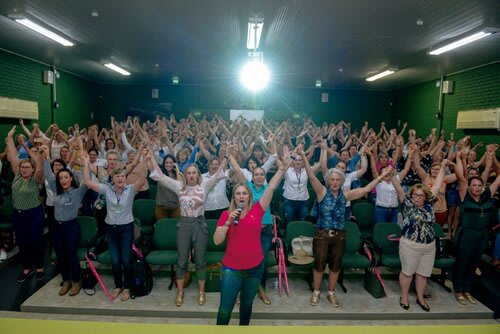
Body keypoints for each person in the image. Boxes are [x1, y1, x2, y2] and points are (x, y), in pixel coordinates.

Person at [299, 145, 392, 307]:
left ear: (342, 181)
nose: (335, 182)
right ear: (328, 181)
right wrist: (302, 154)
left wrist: (381, 176)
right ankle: (316, 292)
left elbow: (365, 189)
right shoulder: (321, 192)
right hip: (321, 235)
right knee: (319, 266)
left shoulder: (346, 195)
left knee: (335, 267)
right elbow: (311, 176)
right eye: (332, 179)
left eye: (338, 180)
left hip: (339, 236)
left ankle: (331, 293)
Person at [214, 149, 289, 325]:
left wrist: (283, 168)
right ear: (233, 197)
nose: (241, 196)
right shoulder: (226, 215)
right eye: (238, 193)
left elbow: (270, 188)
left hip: (254, 268)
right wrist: (227, 223)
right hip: (231, 269)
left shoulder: (258, 209)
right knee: (225, 308)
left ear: (249, 197)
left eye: (244, 193)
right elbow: (217, 241)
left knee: (247, 306)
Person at [147, 152, 228, 306]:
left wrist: (227, 157)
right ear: (185, 175)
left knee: (200, 260)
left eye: (194, 173)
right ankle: (180, 292)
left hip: (200, 224)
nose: (191, 175)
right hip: (183, 225)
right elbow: (160, 176)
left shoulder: (204, 185)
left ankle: (201, 291)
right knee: (182, 260)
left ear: (198, 175)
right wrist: (151, 157)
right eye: (189, 173)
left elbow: (218, 175)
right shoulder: (179, 186)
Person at [82, 151, 147, 302]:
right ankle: (118, 286)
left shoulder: (130, 190)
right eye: (117, 176)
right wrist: (85, 163)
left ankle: (127, 287)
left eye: (123, 176)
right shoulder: (106, 189)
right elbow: (87, 182)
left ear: (125, 178)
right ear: (113, 178)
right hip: (110, 229)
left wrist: (145, 160)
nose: (120, 179)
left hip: (126, 229)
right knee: (115, 260)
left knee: (125, 259)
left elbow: (142, 179)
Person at [390, 159, 448, 312]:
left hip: (429, 246)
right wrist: (390, 172)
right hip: (410, 244)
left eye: (421, 195)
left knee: (423, 274)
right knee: (407, 272)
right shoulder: (406, 202)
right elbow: (397, 185)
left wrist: (443, 167)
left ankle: (420, 297)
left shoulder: (429, 204)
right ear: (411, 195)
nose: (417, 198)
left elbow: (437, 184)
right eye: (415, 195)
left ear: (426, 197)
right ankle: (404, 296)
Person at [452, 149, 500, 305]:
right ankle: (458, 290)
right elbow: (462, 179)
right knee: (463, 262)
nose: (478, 187)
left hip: (482, 235)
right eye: (475, 185)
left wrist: (491, 157)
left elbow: (497, 179)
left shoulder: (487, 197)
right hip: (467, 235)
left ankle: (467, 290)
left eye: (480, 185)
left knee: (474, 263)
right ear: (470, 187)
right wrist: (460, 158)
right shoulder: (464, 197)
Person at [5, 126, 46, 282]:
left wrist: (40, 154)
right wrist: (9, 138)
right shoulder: (17, 176)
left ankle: (40, 268)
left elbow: (40, 168)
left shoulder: (36, 179)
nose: (24, 169)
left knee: (36, 241)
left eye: (27, 167)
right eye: (22, 167)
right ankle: (27, 268)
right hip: (19, 215)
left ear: (32, 169)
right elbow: (13, 157)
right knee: (22, 242)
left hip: (34, 214)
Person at [45, 161, 87, 296]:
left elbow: (86, 181)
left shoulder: (77, 192)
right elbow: (48, 175)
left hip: (71, 227)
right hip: (57, 227)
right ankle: (66, 281)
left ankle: (76, 282)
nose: (63, 180)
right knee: (61, 256)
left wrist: (85, 163)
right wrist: (45, 157)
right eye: (60, 178)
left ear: (70, 179)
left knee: (71, 255)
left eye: (66, 177)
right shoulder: (56, 190)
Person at [154, 154, 181, 220]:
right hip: (161, 206)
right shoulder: (160, 173)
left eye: (171, 162)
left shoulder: (177, 174)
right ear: (164, 163)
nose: (169, 164)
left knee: (175, 228)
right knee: (162, 228)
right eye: (167, 162)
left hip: (175, 207)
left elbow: (179, 184)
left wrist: (177, 168)